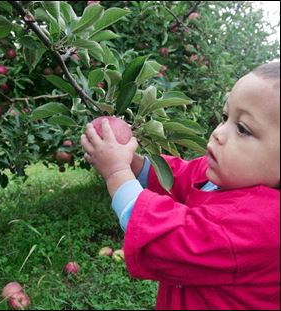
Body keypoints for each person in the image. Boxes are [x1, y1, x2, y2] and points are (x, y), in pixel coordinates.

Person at [80, 61, 280, 310]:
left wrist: (117, 172)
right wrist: (132, 163)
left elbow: (164, 240)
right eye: (225, 117)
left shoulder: (264, 226)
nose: (218, 132)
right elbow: (177, 176)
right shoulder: (221, 176)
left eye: (242, 129)